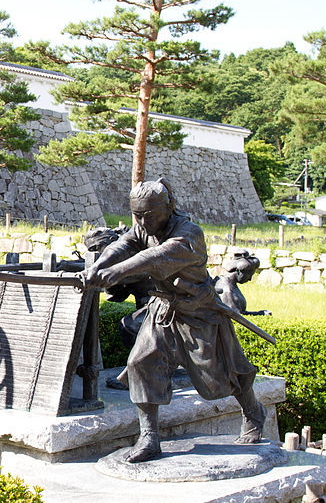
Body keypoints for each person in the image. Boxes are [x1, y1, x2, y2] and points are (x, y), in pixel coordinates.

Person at [80, 178, 265, 463]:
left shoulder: (189, 234)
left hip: (197, 310)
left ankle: (253, 411)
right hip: (163, 309)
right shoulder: (143, 228)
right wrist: (96, 267)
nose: (142, 222)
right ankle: (149, 437)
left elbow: (153, 258)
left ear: (169, 207)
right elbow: (122, 246)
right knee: (141, 363)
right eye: (137, 215)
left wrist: (114, 274)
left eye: (149, 215)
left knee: (223, 372)